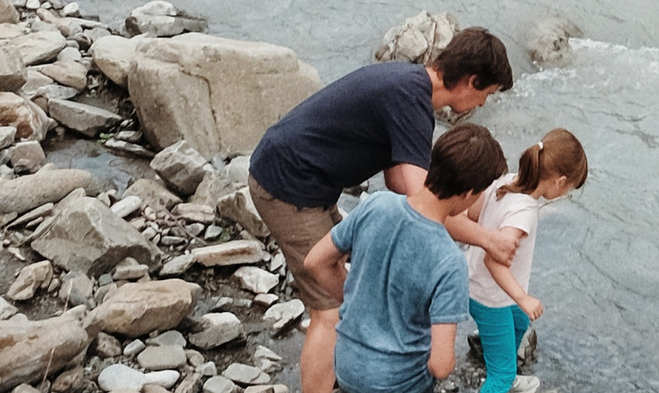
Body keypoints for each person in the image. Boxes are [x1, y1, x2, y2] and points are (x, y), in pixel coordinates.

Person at [250, 29, 514, 393]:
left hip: (305, 177)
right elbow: (426, 204)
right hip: (288, 183)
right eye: (486, 94)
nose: (483, 104)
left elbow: (399, 182)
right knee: (327, 313)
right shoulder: (410, 100)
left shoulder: (409, 89)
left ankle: (361, 352)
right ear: (471, 81)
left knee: (348, 286)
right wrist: (487, 239)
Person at [302, 124, 502, 393]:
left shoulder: (377, 204)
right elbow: (441, 366)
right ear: (468, 194)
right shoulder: (449, 261)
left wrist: (357, 301)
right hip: (396, 383)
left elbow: (315, 261)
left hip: (347, 364)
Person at [461, 130, 587, 393]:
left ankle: (500, 359)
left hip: (478, 282)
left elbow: (473, 213)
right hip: (489, 297)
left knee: (520, 321)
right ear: (559, 182)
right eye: (570, 190)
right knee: (502, 376)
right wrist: (523, 297)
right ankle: (501, 376)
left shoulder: (507, 182)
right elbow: (493, 261)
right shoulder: (524, 213)